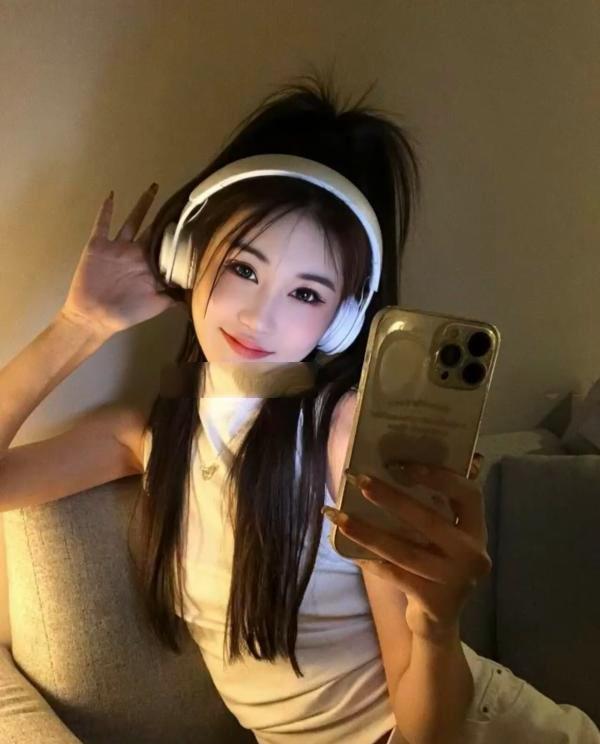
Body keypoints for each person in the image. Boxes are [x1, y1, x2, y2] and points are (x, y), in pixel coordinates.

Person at [1, 71, 599, 744]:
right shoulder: (150, 435)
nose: (259, 316)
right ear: (189, 257)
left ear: (341, 321)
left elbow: (426, 730)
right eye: (244, 269)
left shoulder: (345, 434)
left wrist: (436, 623)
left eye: (306, 294)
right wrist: (79, 326)